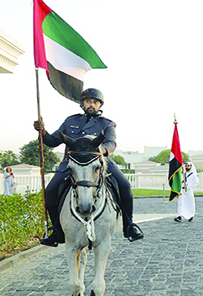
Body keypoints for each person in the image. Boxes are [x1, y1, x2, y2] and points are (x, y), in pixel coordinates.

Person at [33, 88, 144, 247]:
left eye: (95, 102)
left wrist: (103, 150)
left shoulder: (107, 123)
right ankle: (57, 231)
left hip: (99, 161)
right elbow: (52, 141)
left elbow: (111, 143)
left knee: (125, 185)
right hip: (71, 162)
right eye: (88, 101)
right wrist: (42, 131)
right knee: (50, 190)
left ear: (100, 105)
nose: (91, 105)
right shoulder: (70, 121)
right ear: (82, 104)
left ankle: (129, 226)